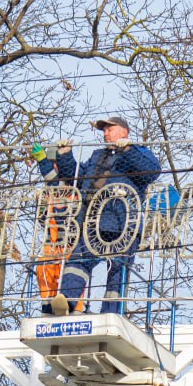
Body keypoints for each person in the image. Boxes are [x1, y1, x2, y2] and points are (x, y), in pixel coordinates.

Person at [35, 115, 160, 315]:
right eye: (104, 130)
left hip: (123, 223)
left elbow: (152, 171)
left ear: (124, 132)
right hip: (92, 221)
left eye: (110, 129)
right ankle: (65, 303)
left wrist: (128, 149)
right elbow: (76, 178)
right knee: (77, 262)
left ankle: (111, 312)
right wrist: (65, 155)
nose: (105, 134)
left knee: (117, 269)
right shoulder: (98, 156)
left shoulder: (139, 153)